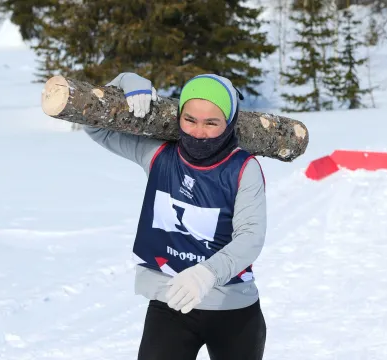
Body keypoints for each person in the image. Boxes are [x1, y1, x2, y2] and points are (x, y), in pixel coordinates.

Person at [83, 72, 267, 360]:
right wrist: (122, 83)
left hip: (232, 309)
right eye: (190, 120)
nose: (197, 132)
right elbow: (97, 127)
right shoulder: (158, 154)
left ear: (229, 123)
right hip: (170, 303)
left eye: (211, 123)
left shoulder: (243, 169)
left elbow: (251, 237)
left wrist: (207, 274)